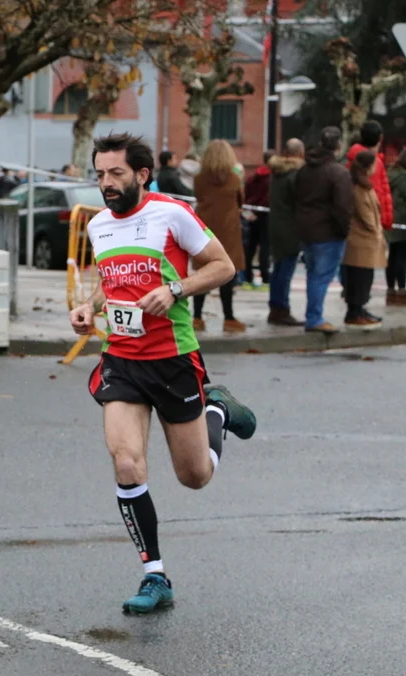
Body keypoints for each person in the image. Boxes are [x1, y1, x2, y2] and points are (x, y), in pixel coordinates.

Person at [70, 133, 257, 614]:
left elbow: (223, 267)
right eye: (100, 174)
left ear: (141, 174)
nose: (107, 183)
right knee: (126, 463)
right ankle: (154, 575)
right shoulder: (99, 226)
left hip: (173, 359)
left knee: (194, 476)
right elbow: (109, 283)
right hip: (122, 360)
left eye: (116, 173)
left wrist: (176, 289)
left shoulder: (172, 214)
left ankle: (216, 411)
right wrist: (89, 307)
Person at [293, 127, 354, 333]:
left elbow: (296, 197)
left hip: (305, 230)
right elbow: (343, 207)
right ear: (338, 146)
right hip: (328, 232)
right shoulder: (338, 173)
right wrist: (344, 230)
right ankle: (314, 317)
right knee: (321, 277)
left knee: (313, 274)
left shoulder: (305, 170)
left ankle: (313, 315)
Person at [192, 140, 247, 333]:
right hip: (229, 230)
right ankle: (229, 318)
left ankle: (197, 317)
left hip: (204, 230)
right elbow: (241, 201)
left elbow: (198, 197)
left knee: (202, 274)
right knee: (228, 274)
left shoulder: (199, 179)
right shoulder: (235, 178)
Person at [342, 151, 387, 326]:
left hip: (366, 240)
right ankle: (354, 311)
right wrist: (377, 232)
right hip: (361, 240)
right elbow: (366, 215)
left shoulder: (364, 185)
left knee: (364, 277)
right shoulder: (359, 188)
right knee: (359, 278)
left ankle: (359, 309)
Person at [266, 139, 307, 326]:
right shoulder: (296, 174)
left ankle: (275, 307)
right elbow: (300, 202)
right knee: (286, 270)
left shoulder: (276, 172)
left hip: (276, 225)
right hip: (291, 227)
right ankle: (282, 308)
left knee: (278, 269)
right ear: (300, 153)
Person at [345, 120, 394, 231]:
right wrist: (383, 221)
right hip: (372, 223)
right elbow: (379, 193)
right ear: (380, 138)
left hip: (353, 220)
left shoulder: (350, 159)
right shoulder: (375, 164)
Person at [385, 148, 406, 306]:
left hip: (390, 219)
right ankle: (402, 288)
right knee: (402, 255)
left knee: (392, 254)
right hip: (404, 220)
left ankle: (390, 288)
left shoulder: (390, 174)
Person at [243, 150, 276, 288]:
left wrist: (250, 210)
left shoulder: (253, 177)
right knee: (265, 248)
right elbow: (270, 198)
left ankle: (247, 278)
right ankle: (265, 279)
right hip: (266, 215)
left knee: (250, 247)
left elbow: (246, 194)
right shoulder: (273, 179)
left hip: (252, 215)